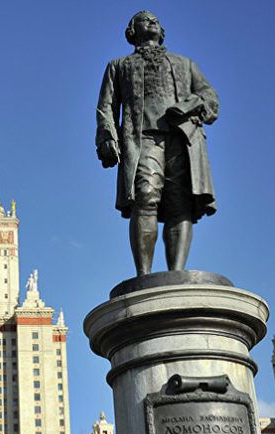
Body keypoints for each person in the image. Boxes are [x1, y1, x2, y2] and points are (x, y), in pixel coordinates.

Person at [96, 10, 219, 275]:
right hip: (142, 140)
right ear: (132, 30)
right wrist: (107, 136)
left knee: (180, 203)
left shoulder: (185, 64)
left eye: (155, 20)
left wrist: (190, 104)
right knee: (145, 198)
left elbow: (209, 97)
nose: (151, 21)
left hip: (182, 138)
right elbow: (106, 106)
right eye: (144, 19)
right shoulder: (119, 66)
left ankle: (176, 273)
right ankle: (144, 276)